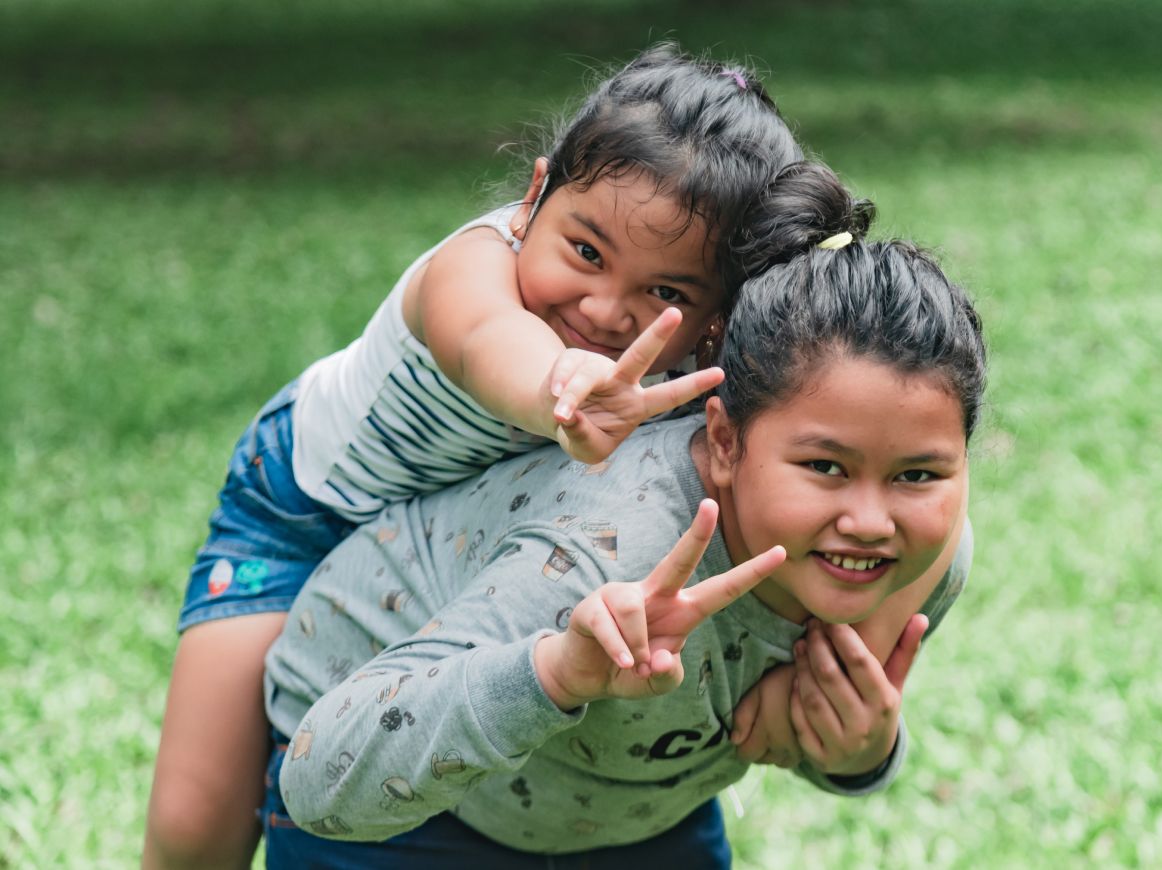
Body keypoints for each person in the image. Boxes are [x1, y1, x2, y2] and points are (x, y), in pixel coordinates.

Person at [143, 43, 886, 869]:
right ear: (534, 197)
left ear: (719, 312)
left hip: (473, 545)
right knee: (196, 823)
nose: (606, 309)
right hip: (310, 512)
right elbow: (487, 342)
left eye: (667, 293)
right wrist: (560, 390)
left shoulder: (697, 364)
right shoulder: (473, 266)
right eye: (586, 252)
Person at [260, 239, 986, 866]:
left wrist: (860, 754)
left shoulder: (919, 564)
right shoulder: (606, 554)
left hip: (626, 816)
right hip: (411, 808)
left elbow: (791, 731)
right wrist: (556, 672)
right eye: (825, 467)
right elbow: (321, 779)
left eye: (917, 474)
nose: (869, 522)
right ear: (726, 442)